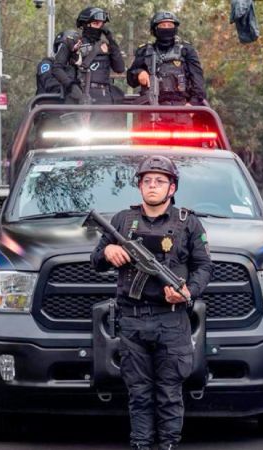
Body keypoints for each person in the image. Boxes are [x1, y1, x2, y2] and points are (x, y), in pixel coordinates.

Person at [90, 155, 213, 450]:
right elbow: (95, 260)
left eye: (160, 181)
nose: (153, 186)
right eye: (147, 181)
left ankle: (168, 445)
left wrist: (188, 292)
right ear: (140, 186)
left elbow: (204, 266)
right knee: (139, 393)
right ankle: (141, 444)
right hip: (132, 319)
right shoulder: (122, 221)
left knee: (169, 393)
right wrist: (107, 253)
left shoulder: (188, 222)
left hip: (171, 319)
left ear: (172, 188)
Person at [127, 11, 207, 107]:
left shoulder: (186, 50)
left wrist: (192, 104)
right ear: (154, 29)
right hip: (149, 107)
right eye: (162, 25)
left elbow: (198, 82)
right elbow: (131, 79)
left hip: (181, 107)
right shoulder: (144, 51)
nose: (166, 28)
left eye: (170, 25)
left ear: (175, 28)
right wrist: (139, 73)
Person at [52, 6, 125, 105]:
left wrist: (111, 40)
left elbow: (120, 68)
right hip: (80, 96)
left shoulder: (107, 45)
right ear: (85, 24)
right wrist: (71, 86)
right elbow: (56, 68)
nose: (100, 27)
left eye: (102, 24)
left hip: (104, 97)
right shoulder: (73, 42)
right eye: (95, 23)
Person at [36, 30, 80, 96]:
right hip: (49, 100)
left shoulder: (74, 68)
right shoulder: (46, 64)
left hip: (69, 101)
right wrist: (71, 88)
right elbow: (49, 83)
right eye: (62, 47)